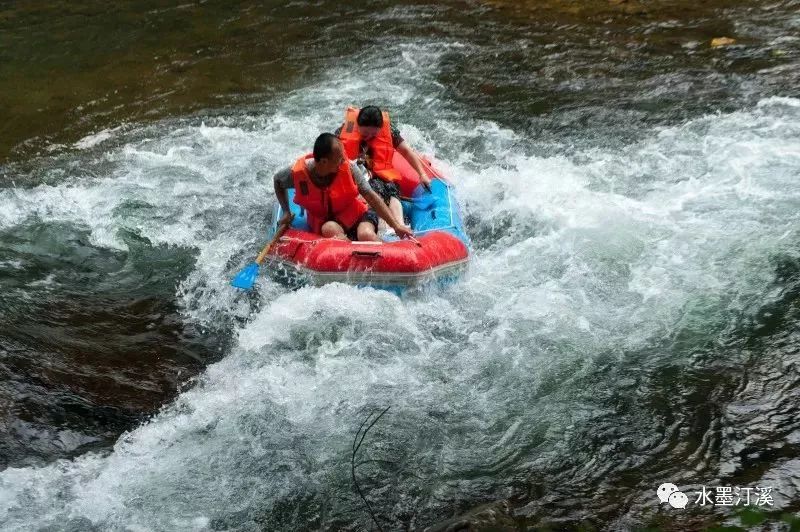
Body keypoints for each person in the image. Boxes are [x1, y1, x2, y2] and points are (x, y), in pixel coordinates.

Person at [273, 133, 413, 242]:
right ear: (323, 162)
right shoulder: (297, 173)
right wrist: (285, 210)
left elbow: (370, 195)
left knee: (365, 234)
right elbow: (278, 181)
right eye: (339, 159)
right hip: (328, 223)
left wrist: (396, 225)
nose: (343, 161)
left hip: (357, 214)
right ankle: (349, 258)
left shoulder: (349, 167)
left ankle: (384, 255)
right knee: (329, 229)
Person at [336, 105, 432, 228]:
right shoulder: (346, 130)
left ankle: (400, 226)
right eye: (365, 134)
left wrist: (422, 174)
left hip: (382, 174)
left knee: (391, 189)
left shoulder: (389, 131)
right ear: (357, 126)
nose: (369, 137)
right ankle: (382, 227)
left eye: (374, 134)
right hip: (356, 175)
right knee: (374, 190)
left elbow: (407, 151)